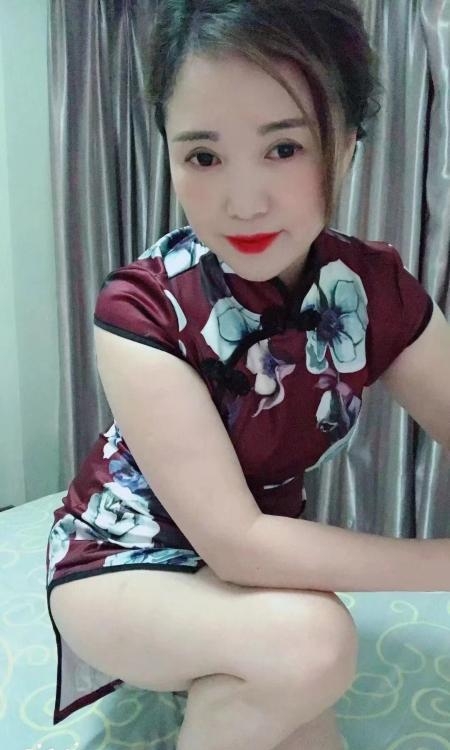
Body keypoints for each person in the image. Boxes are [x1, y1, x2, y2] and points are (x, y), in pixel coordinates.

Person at [46, 1, 450, 748]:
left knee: (304, 705)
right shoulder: (145, 306)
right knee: (315, 643)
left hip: (254, 589)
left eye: (284, 148)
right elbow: (237, 541)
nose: (243, 202)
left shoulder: (374, 291)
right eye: (203, 157)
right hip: (124, 568)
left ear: (347, 143)